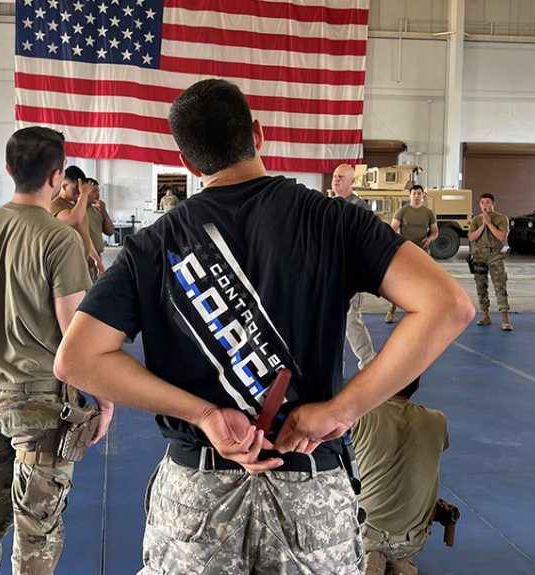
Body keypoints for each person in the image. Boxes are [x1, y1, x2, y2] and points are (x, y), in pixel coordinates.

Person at [54, 78, 474, 574]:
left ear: (189, 163)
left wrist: (204, 414)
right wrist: (340, 411)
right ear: (257, 134)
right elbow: (448, 306)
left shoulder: (154, 244)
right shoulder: (332, 220)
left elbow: (77, 359)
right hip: (308, 489)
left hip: (197, 494)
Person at [0, 127, 110, 575]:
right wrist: (105, 400)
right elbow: (74, 335)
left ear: (8, 170)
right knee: (36, 531)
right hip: (40, 407)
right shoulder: (60, 239)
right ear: (57, 177)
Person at [352, 376, 447, 575]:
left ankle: (369, 558)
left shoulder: (359, 416)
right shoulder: (438, 420)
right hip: (410, 542)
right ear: (417, 386)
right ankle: (397, 563)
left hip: (362, 536)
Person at [332, 163, 378, 370]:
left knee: (351, 321)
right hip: (331, 274)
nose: (336, 179)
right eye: (335, 176)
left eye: (341, 177)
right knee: (330, 324)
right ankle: (334, 366)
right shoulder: (330, 205)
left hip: (350, 275)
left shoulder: (359, 209)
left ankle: (369, 364)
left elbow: (368, 242)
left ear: (352, 181)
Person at [385, 185, 438, 324]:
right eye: (414, 193)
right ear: (410, 195)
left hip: (422, 251)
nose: (416, 196)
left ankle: (422, 311)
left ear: (423, 196)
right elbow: (392, 230)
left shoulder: (428, 213)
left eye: (419, 194)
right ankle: (392, 310)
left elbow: (435, 232)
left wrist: (429, 239)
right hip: (405, 252)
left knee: (424, 282)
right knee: (399, 282)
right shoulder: (402, 211)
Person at [467, 192, 512, 331]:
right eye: (482, 203)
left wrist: (489, 224)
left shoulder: (501, 219)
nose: (484, 205)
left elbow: (502, 237)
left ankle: (505, 319)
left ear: (493, 204)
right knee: (481, 286)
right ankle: (485, 315)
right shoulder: (476, 220)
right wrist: (483, 225)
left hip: (495, 255)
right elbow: (471, 237)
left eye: (487, 202)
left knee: (500, 285)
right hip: (480, 255)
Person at [49, 165, 104, 276]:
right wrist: (84, 194)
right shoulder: (56, 204)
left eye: (81, 188)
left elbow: (85, 235)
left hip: (82, 263)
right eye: (76, 188)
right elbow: (74, 220)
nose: (79, 191)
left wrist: (96, 258)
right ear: (64, 186)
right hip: (67, 264)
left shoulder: (76, 206)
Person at [86, 177, 114, 282]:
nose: (97, 195)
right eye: (94, 191)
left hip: (97, 256)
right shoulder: (77, 212)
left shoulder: (97, 211)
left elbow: (110, 231)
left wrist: (104, 211)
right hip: (84, 258)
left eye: (98, 191)